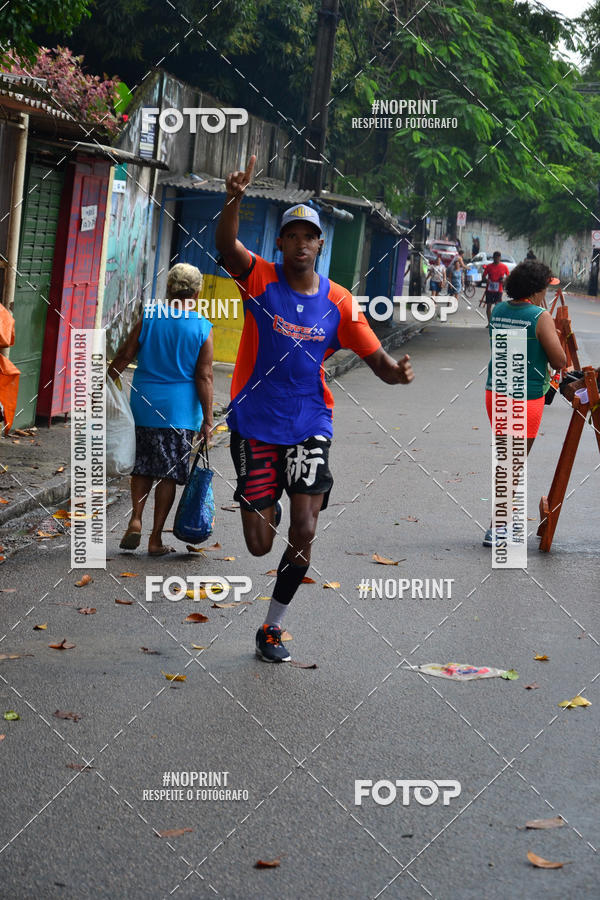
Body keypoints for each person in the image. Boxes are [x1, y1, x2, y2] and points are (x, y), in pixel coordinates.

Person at [215, 155, 414, 662]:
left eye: (310, 236)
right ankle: (268, 498)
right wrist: (234, 198)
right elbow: (225, 246)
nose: (301, 243)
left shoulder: (340, 302)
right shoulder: (258, 279)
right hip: (256, 423)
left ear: (320, 245)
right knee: (260, 541)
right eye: (292, 235)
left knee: (304, 528)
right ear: (280, 244)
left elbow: (377, 358)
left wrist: (395, 372)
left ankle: (272, 628)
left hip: (309, 424)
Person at [108, 263, 214, 556]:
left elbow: (125, 355)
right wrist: (208, 419)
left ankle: (135, 518)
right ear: (197, 292)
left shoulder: (150, 317)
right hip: (180, 412)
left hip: (144, 404)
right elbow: (204, 376)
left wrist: (103, 386)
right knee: (168, 473)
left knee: (142, 465)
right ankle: (155, 539)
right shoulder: (202, 327)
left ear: (168, 289)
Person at [482, 260, 565, 546]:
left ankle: (498, 524)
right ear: (537, 289)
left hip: (496, 392)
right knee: (513, 463)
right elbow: (559, 361)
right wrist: (556, 333)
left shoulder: (500, 310)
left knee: (507, 460)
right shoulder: (540, 316)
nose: (549, 293)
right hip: (525, 398)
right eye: (546, 288)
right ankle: (497, 527)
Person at [481, 251, 510, 323]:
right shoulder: (489, 266)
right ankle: (490, 323)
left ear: (500, 258)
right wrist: (486, 280)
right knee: (488, 307)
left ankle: (497, 322)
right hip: (489, 289)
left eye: (498, 258)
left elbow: (508, 277)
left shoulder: (504, 267)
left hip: (499, 290)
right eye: (495, 258)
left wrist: (504, 279)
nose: (496, 259)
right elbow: (483, 277)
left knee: (498, 307)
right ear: (493, 258)